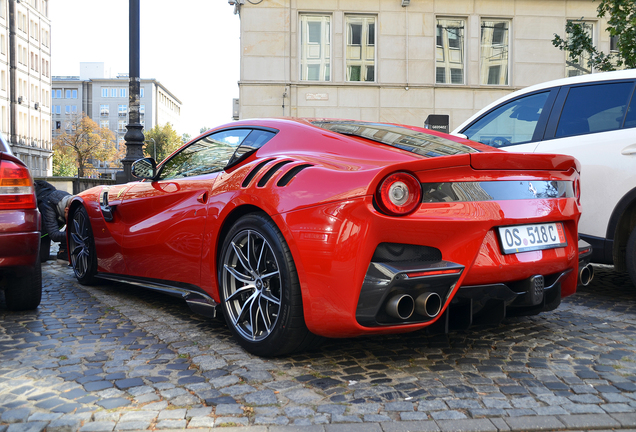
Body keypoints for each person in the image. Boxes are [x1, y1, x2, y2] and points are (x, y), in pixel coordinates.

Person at [35, 180, 73, 262]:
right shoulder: (49, 207)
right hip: (42, 230)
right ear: (66, 210)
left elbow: (71, 226)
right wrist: (75, 234)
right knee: (42, 258)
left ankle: (63, 252)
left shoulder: (70, 201)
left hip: (51, 220)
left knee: (72, 226)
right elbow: (54, 235)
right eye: (70, 217)